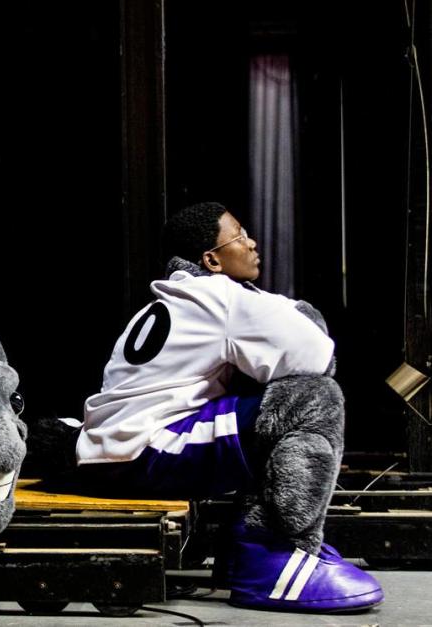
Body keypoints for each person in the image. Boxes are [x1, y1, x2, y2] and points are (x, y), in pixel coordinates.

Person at [76, 202, 383, 612]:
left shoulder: (172, 297)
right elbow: (318, 355)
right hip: (144, 453)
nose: (253, 243)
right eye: (240, 235)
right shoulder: (218, 295)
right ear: (212, 260)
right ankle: (273, 557)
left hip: (113, 453)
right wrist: (302, 315)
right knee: (313, 399)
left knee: (265, 404)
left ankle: (246, 551)